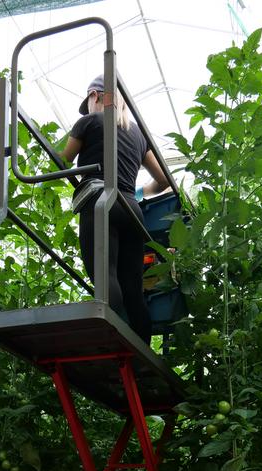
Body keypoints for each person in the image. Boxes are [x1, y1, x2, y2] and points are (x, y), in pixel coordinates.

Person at [62, 75, 169, 343]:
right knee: (132, 286)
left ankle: (115, 338)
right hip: (132, 210)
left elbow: (61, 160)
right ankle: (142, 348)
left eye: (87, 101)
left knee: (104, 274)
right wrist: (138, 191)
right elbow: (164, 180)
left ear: (95, 96)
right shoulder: (137, 135)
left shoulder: (88, 122)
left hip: (99, 202)